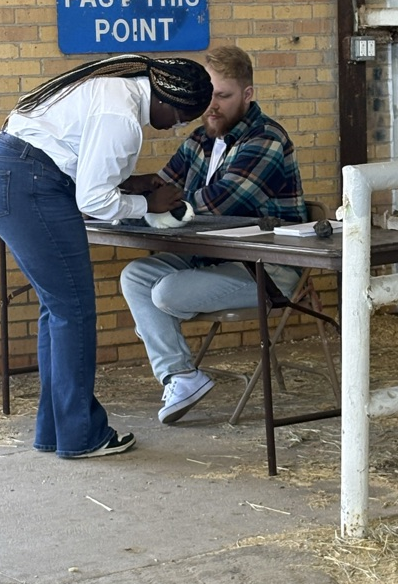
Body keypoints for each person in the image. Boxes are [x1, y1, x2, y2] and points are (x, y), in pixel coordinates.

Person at [0, 54, 213, 458]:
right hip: (29, 184)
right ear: (170, 103)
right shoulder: (124, 119)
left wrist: (133, 184)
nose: (176, 127)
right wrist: (147, 206)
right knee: (74, 310)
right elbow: (94, 201)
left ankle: (56, 431)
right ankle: (83, 436)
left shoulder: (117, 80)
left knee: (58, 310)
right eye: (182, 119)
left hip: (5, 172)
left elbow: (80, 162)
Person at [119, 45, 308, 424]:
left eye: (223, 96)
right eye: (208, 97)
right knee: (135, 276)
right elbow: (162, 186)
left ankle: (176, 362)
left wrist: (154, 203)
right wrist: (130, 197)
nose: (212, 107)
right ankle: (181, 376)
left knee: (165, 292)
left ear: (247, 95)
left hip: (269, 268)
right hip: (212, 256)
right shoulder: (199, 140)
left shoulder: (266, 139)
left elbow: (215, 205)